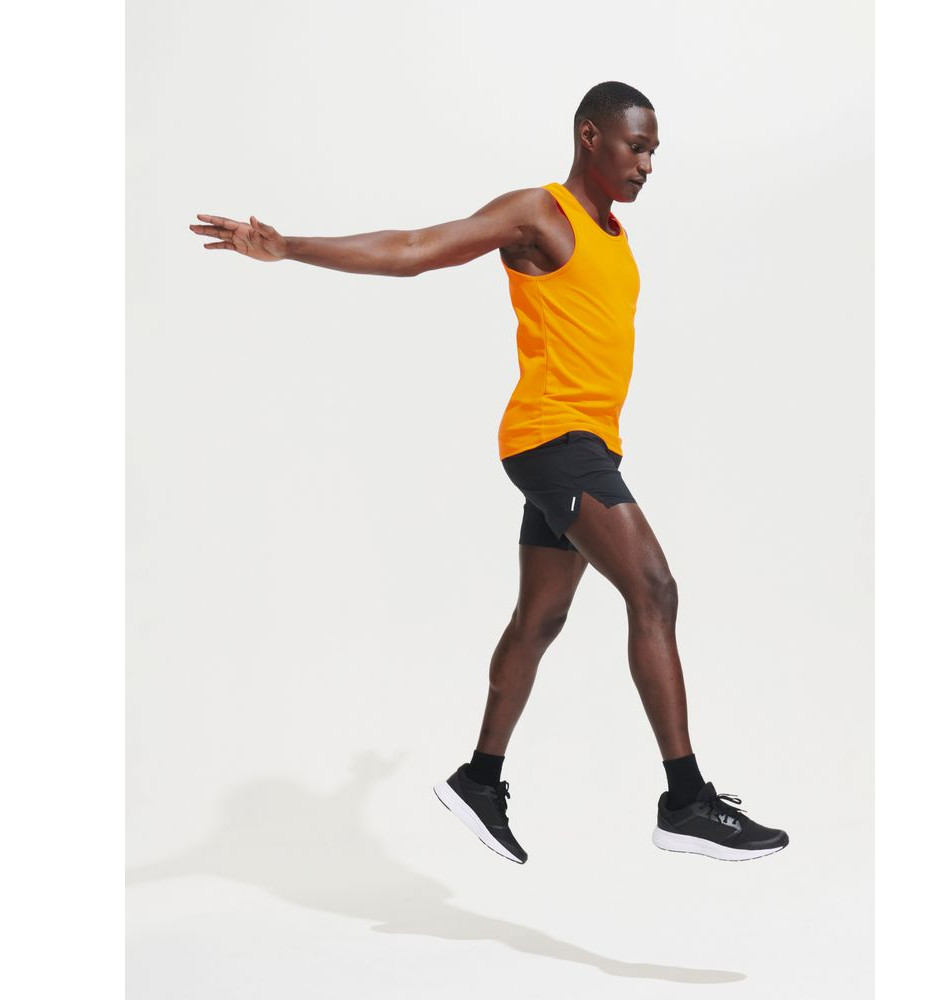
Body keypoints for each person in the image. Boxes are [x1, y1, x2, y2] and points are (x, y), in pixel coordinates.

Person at [189, 80, 789, 865]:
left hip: (586, 446)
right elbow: (414, 249)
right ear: (590, 137)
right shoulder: (540, 214)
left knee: (540, 620)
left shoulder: (611, 233)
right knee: (655, 589)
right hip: (554, 441)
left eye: (654, 152)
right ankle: (685, 801)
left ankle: (479, 779)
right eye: (636, 147)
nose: (647, 165)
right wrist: (290, 246)